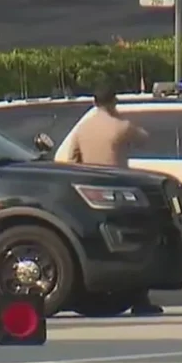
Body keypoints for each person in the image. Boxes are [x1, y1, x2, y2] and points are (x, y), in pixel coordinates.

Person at [58, 87, 163, 316]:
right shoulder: (122, 126)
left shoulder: (83, 128)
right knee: (133, 247)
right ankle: (140, 300)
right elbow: (144, 139)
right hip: (120, 190)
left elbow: (72, 159)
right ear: (113, 101)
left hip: (91, 193)